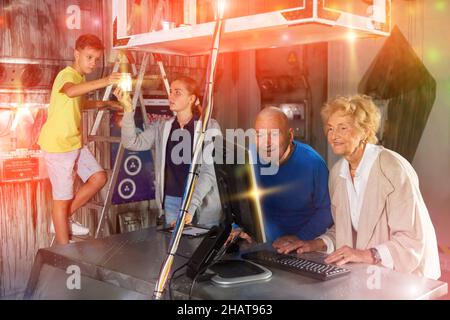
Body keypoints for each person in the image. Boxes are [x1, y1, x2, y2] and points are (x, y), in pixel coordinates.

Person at [281, 95, 441, 280]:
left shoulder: (392, 168)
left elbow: (411, 240)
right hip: (373, 277)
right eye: (331, 128)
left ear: (365, 131)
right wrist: (315, 244)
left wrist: (364, 255)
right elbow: (345, 230)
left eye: (343, 127)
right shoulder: (337, 174)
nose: (334, 135)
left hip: (410, 276)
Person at [38, 34, 122, 245]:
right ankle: (65, 248)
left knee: (98, 178)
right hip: (58, 146)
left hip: (74, 143)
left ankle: (62, 219)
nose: (93, 63)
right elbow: (71, 92)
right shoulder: (67, 75)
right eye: (89, 57)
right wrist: (105, 81)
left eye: (96, 59)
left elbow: (78, 103)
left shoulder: (81, 78)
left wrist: (107, 105)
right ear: (76, 54)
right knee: (61, 199)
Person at [118, 76, 222, 227]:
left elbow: (209, 171)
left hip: (202, 204)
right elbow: (132, 142)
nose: (171, 96)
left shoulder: (209, 127)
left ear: (191, 98)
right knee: (176, 250)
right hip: (172, 201)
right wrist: (127, 109)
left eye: (177, 93)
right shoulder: (162, 127)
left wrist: (190, 207)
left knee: (200, 248)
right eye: (171, 92)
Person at [251, 107, 333, 249]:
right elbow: (243, 200)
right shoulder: (251, 157)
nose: (267, 143)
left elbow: (327, 210)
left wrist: (299, 238)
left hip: (300, 247)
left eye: (274, 135)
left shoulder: (313, 163)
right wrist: (239, 227)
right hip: (261, 244)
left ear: (290, 135)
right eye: (260, 135)